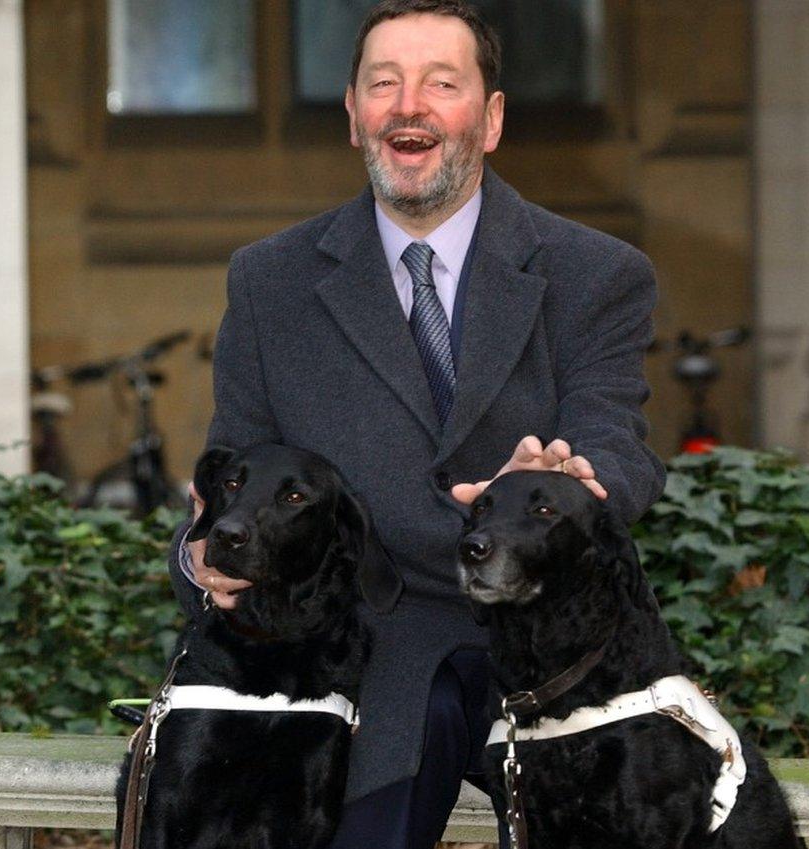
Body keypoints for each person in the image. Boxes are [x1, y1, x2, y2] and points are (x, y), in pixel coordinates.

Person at [167, 1, 665, 847]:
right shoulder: (269, 283)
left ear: (492, 118)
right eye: (384, 84)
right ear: (355, 115)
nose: (410, 106)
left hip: (553, 643)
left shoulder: (599, 273)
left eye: (442, 83)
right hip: (372, 654)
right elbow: (233, 480)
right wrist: (197, 557)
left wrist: (579, 478)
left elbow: (617, 440)